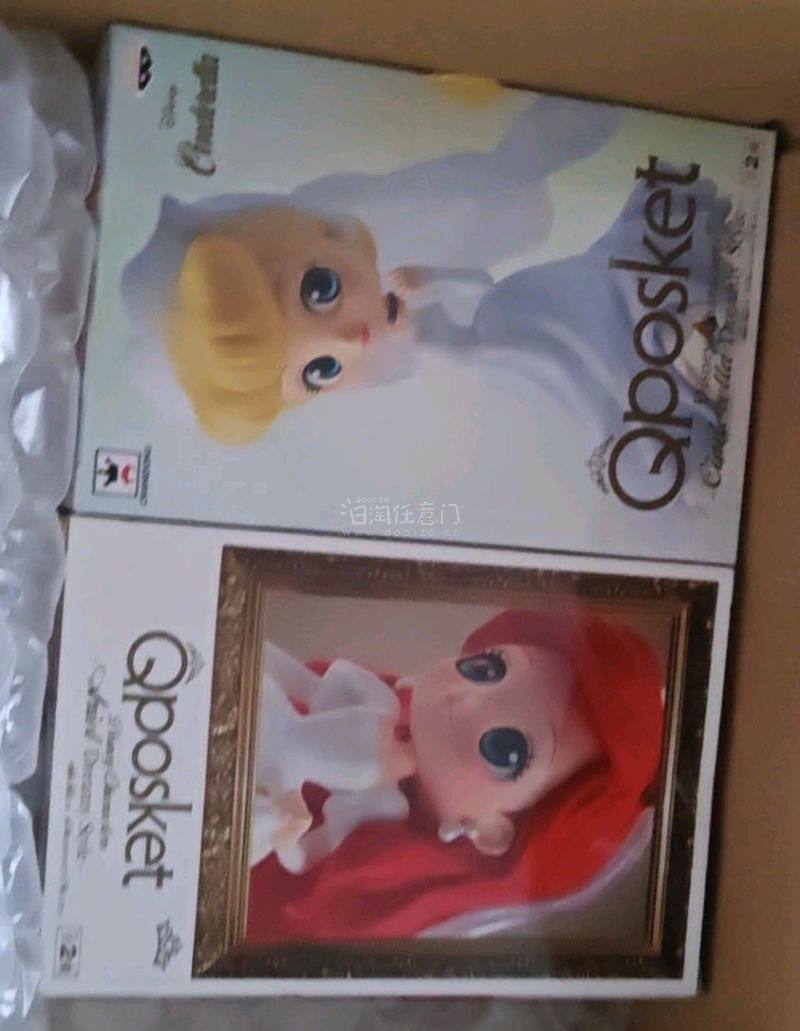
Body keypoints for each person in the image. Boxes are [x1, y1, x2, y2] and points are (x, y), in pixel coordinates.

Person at [122, 94, 624, 443]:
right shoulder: (403, 349)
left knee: (514, 180)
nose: (352, 339)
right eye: (320, 372)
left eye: (321, 289)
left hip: (462, 204)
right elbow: (472, 308)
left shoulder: (359, 210)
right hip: (501, 251)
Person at [247, 607, 664, 943]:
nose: (466, 700)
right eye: (487, 668)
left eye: (505, 749)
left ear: (491, 832)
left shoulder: (379, 825)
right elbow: (301, 678)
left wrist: (286, 829)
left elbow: (301, 863)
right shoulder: (380, 702)